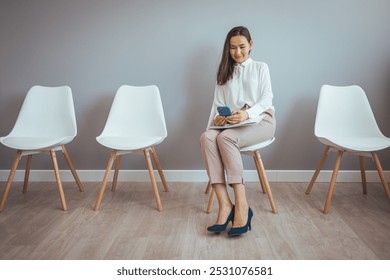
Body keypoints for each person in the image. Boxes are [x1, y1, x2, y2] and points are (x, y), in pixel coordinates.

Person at [200, 26, 276, 236]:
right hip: (232, 125)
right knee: (207, 138)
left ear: (251, 45)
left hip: (262, 121)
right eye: (232, 48)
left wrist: (247, 114)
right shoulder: (224, 73)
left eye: (242, 46)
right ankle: (225, 205)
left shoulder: (261, 67)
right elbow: (217, 105)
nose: (238, 52)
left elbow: (267, 99)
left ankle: (242, 206)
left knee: (225, 139)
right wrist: (217, 121)